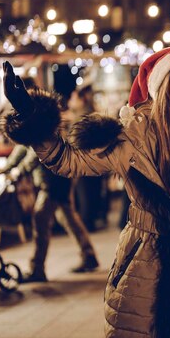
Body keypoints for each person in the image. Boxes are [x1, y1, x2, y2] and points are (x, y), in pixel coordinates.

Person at [1, 47, 170, 338]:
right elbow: (66, 160)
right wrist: (30, 114)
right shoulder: (133, 134)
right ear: (162, 85)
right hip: (144, 254)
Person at [0, 77, 98, 282]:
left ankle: (37, 268)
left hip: (53, 180)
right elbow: (23, 147)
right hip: (56, 179)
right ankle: (88, 256)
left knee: (41, 218)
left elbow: (37, 150)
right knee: (67, 216)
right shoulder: (36, 113)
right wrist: (8, 167)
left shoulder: (41, 115)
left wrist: (18, 170)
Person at [64, 85, 108, 231]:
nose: (70, 100)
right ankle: (91, 220)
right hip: (95, 161)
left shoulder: (81, 118)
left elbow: (75, 142)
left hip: (84, 161)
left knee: (85, 193)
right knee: (91, 192)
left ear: (82, 100)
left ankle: (87, 223)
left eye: (73, 97)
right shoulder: (90, 114)